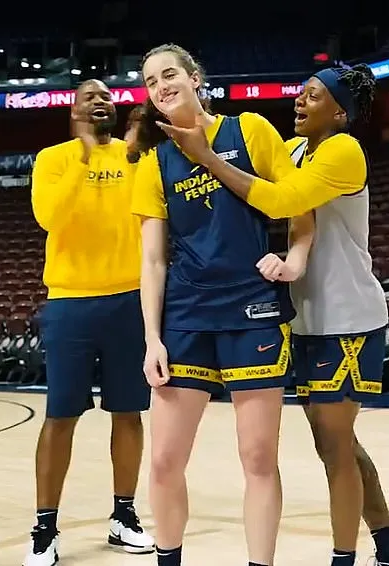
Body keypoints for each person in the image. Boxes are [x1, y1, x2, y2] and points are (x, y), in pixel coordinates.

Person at [157, 64, 389, 566]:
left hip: (345, 316)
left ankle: (348, 557)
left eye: (314, 96)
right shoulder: (296, 149)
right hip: (299, 315)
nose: (300, 102)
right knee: (336, 444)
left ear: (340, 110)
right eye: (301, 94)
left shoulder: (344, 149)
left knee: (335, 447)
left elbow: (283, 200)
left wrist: (206, 157)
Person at [131, 44, 314, 566]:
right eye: (150, 82)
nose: (162, 86)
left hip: (252, 307)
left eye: (170, 75)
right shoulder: (154, 164)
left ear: (194, 78)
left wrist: (295, 258)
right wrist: (151, 338)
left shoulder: (249, 130)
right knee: (165, 460)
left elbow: (299, 205)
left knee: (258, 457)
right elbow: (152, 262)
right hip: (186, 316)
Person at [22, 79, 154, 566]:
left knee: (128, 412)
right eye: (89, 96)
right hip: (71, 302)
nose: (101, 100)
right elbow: (49, 218)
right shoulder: (53, 159)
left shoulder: (135, 156)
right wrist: (81, 155)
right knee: (60, 417)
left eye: (107, 96)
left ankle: (124, 516)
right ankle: (45, 527)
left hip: (128, 300)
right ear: (74, 111)